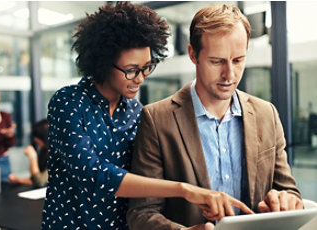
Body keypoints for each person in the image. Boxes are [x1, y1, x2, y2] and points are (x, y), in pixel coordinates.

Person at [41, 2, 253, 230]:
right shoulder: (69, 102)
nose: (140, 78)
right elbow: (92, 174)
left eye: (146, 68)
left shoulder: (136, 111)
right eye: (131, 69)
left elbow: (144, 180)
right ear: (102, 62)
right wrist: (183, 189)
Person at [127, 4, 303, 230]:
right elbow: (142, 213)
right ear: (193, 54)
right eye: (217, 61)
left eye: (238, 60)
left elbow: (288, 190)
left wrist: (287, 199)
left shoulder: (266, 114)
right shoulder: (157, 119)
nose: (229, 74)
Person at [9, 119, 49, 188]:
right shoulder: (44, 151)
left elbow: (40, 182)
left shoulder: (56, 155)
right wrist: (19, 180)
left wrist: (32, 156)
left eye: (37, 136)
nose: (35, 139)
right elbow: (35, 178)